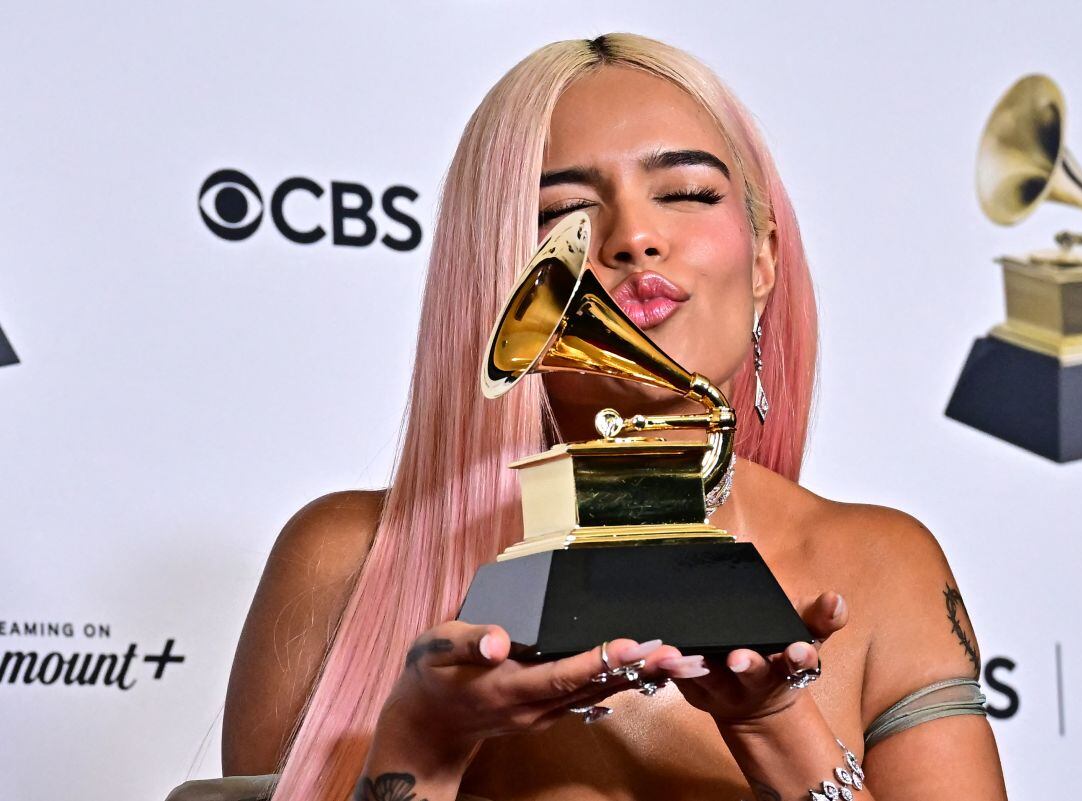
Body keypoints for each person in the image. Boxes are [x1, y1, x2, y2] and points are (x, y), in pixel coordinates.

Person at [208, 32, 1007, 801]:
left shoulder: (882, 566)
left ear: (764, 260)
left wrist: (777, 722)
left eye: (689, 193)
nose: (635, 238)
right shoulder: (347, 559)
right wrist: (420, 749)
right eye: (565, 211)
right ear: (493, 275)